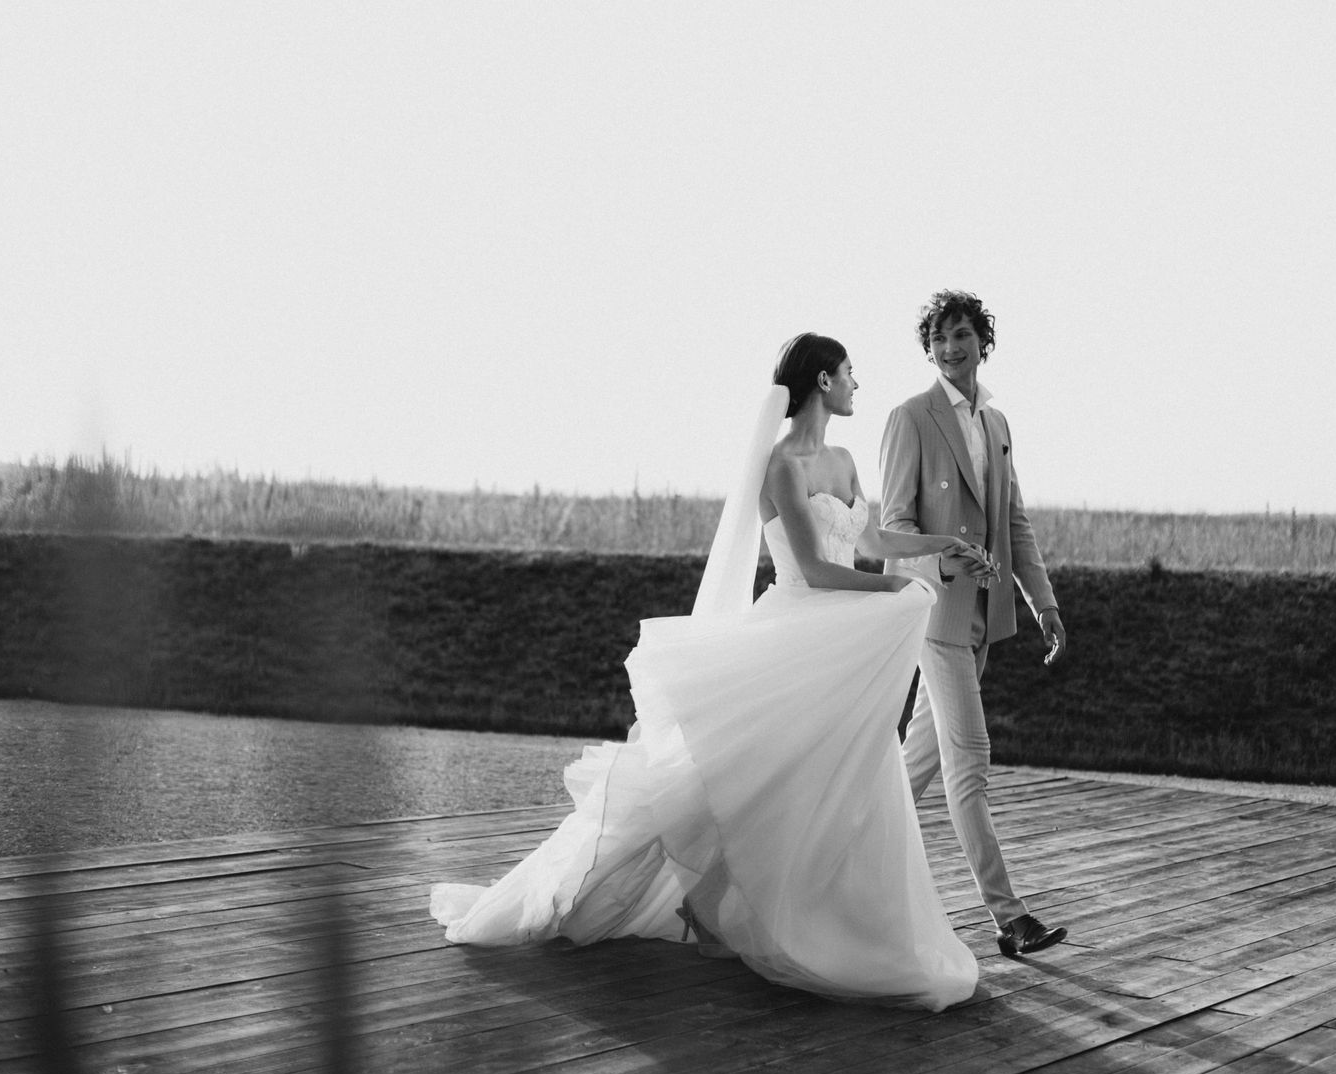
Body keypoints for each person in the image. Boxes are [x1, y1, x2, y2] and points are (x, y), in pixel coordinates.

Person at [431, 332, 990, 1010]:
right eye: (848, 374)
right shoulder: (782, 465)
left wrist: (940, 547)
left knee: (837, 781)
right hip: (793, 632)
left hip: (835, 641)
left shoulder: (843, 461)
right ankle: (685, 902)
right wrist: (896, 591)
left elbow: (870, 541)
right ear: (821, 382)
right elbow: (813, 569)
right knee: (735, 784)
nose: (855, 385)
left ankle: (836, 920)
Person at [879, 289, 1070, 958]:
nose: (951, 348)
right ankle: (1010, 918)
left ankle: (833, 864)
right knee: (972, 761)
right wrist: (945, 552)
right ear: (928, 349)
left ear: (982, 341)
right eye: (939, 339)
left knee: (913, 772)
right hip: (935, 610)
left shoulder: (998, 424)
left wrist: (1042, 603)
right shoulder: (910, 418)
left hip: (982, 620)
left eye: (962, 335)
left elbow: (1013, 522)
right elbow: (892, 525)